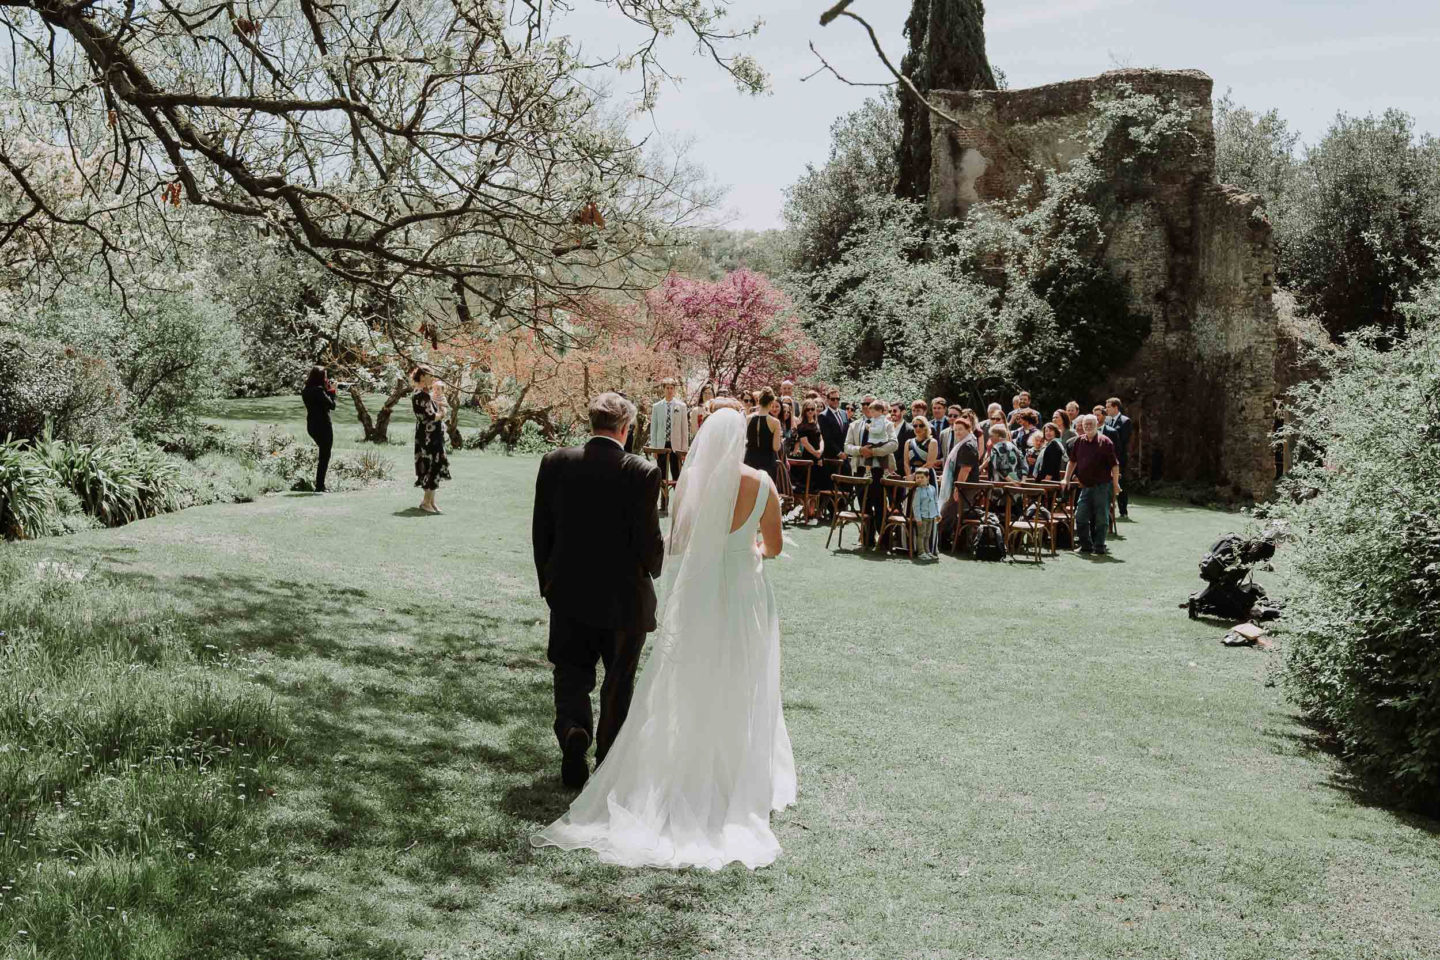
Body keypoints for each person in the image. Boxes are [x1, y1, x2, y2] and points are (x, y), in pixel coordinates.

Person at [532, 407, 795, 870]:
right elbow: (772, 547)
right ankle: (732, 773)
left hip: (698, 597)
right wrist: (751, 547)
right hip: (744, 596)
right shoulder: (763, 483)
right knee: (740, 678)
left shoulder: (692, 481)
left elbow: (680, 539)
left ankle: (627, 748)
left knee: (689, 679)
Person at [531, 392, 664, 789]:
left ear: (591, 423)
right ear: (627, 428)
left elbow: (542, 529)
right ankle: (607, 760)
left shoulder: (555, 461)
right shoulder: (642, 471)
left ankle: (573, 729)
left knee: (571, 672)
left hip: (568, 593)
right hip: (624, 600)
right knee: (618, 680)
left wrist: (548, 581)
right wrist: (653, 567)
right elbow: (648, 539)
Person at [1063, 414, 1121, 555]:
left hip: (1102, 486)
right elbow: (1072, 462)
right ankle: (1085, 545)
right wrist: (1066, 478)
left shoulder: (1105, 442)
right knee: (1080, 516)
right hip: (1085, 486)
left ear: (1097, 424)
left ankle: (1099, 545)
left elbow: (1115, 466)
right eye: (1085, 424)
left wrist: (1115, 484)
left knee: (1101, 517)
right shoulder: (1079, 442)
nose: (1088, 426)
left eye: (1091, 423)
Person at [844, 399, 898, 550]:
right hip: (861, 468)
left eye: (870, 404)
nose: (866, 407)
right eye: (864, 404)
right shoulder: (854, 425)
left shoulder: (886, 423)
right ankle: (867, 539)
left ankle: (884, 541)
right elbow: (847, 446)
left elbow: (894, 444)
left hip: (879, 469)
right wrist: (860, 450)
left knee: (880, 504)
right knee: (863, 504)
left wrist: (874, 452)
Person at [410, 365, 451, 513]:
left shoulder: (422, 393)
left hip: (427, 435)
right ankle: (426, 502)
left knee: (433, 464)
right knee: (432, 465)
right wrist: (444, 412)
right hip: (429, 437)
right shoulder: (422, 395)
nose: (432, 379)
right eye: (430, 376)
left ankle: (431, 501)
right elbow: (432, 416)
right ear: (422, 377)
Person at [301, 365, 337, 493]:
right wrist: (332, 392)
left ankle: (320, 484)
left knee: (323, 454)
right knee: (325, 455)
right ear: (321, 377)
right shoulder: (318, 391)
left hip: (311, 425)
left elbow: (320, 402)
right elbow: (331, 405)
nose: (327, 379)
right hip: (323, 425)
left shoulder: (306, 390)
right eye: (325, 376)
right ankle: (320, 486)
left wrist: (326, 390)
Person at [649, 379, 689, 486]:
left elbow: (684, 429)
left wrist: (684, 450)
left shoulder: (681, 406)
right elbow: (654, 428)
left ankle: (678, 501)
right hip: (661, 445)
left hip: (676, 447)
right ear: (663, 389)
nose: (670, 390)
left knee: (677, 476)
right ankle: (663, 500)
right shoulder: (656, 407)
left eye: (672, 388)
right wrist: (654, 448)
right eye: (667, 388)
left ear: (674, 390)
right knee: (661, 476)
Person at [791, 400, 826, 518]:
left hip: (818, 456)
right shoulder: (801, 426)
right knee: (808, 484)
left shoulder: (817, 424)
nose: (810, 411)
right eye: (808, 409)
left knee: (817, 484)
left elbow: (821, 439)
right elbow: (804, 443)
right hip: (808, 458)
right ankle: (806, 512)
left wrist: (820, 452)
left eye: (812, 409)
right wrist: (815, 453)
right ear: (804, 411)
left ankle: (814, 512)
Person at [1103, 397, 1134, 517]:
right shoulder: (1107, 421)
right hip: (1107, 457)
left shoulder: (1125, 421)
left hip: (1119, 457)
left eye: (1108, 407)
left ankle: (1123, 510)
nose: (1106, 409)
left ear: (1116, 407)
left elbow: (1124, 441)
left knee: (1120, 483)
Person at [744, 387, 782, 482]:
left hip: (750, 461)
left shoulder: (747, 418)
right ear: (771, 402)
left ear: (759, 401)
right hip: (767, 462)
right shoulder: (775, 422)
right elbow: (776, 447)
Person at [818, 386, 848, 484]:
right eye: (833, 399)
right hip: (831, 456)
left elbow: (846, 434)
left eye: (837, 399)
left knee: (845, 485)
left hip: (845, 455)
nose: (835, 401)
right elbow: (827, 438)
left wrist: (846, 451)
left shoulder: (844, 413)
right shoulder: (823, 416)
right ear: (827, 400)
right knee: (831, 486)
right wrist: (839, 453)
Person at [912, 466, 940, 559]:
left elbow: (936, 502)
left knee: (927, 535)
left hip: (931, 516)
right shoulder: (918, 490)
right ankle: (921, 552)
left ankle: (927, 551)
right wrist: (918, 518)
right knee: (921, 535)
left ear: (928, 478)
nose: (919, 480)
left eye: (922, 477)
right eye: (917, 478)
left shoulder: (932, 489)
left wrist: (937, 513)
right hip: (922, 517)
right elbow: (916, 505)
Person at [889, 401, 914, 476]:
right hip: (886, 470)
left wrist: (895, 469)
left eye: (895, 411)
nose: (892, 413)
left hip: (901, 472)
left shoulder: (910, 430)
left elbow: (908, 454)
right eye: (890, 411)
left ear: (903, 412)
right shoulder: (887, 428)